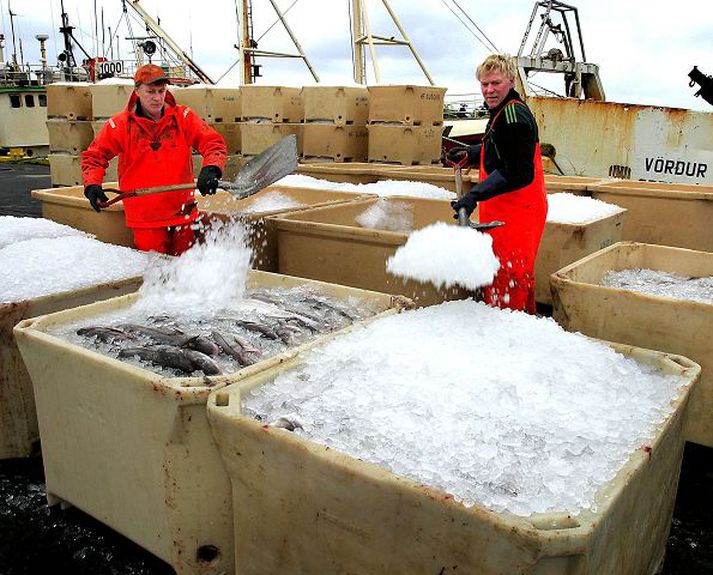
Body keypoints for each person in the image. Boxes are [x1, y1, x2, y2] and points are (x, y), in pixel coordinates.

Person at [81, 64, 227, 256]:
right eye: (150, 91)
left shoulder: (183, 118)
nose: (157, 97)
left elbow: (213, 143)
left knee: (186, 272)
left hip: (183, 214)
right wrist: (92, 184)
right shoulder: (121, 125)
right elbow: (94, 156)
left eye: (161, 91)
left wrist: (212, 169)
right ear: (137, 91)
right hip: (146, 220)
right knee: (155, 273)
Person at [448, 54, 547, 314]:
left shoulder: (514, 117)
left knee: (510, 275)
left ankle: (508, 334)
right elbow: (499, 149)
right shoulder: (502, 111)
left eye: (495, 83)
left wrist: (473, 196)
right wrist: (472, 152)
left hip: (518, 210)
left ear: (511, 81)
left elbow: (517, 171)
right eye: (484, 84)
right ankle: (524, 320)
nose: (489, 90)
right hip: (503, 207)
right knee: (507, 272)